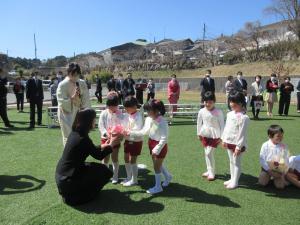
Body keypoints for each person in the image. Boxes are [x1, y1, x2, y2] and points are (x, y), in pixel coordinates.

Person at [55, 108, 122, 206]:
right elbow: (99, 156)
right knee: (105, 172)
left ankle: (72, 193)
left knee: (97, 168)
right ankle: (81, 195)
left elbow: (91, 148)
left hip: (61, 176)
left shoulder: (75, 133)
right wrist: (112, 144)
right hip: (67, 180)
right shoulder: (83, 138)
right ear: (88, 121)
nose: (95, 121)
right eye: (94, 119)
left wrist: (103, 146)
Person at [126, 99, 172, 194]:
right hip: (151, 143)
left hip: (160, 146)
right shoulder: (149, 119)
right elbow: (143, 131)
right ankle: (168, 176)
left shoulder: (162, 122)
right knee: (158, 165)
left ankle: (158, 187)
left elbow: (164, 138)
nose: (147, 112)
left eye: (149, 110)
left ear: (156, 110)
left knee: (156, 166)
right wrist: (130, 132)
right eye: (146, 110)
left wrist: (157, 149)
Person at [56, 63, 91, 146]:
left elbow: (86, 98)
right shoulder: (62, 84)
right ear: (68, 73)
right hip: (66, 113)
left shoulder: (82, 83)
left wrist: (85, 110)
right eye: (73, 74)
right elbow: (61, 101)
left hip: (79, 111)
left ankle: (79, 155)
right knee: (68, 135)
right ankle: (68, 156)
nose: (75, 77)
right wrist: (72, 97)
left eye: (77, 74)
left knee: (81, 134)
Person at [221, 91, 250, 189]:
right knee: (231, 161)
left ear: (241, 103)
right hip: (229, 141)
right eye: (230, 102)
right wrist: (224, 139)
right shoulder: (229, 114)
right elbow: (226, 128)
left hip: (238, 144)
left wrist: (238, 146)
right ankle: (232, 178)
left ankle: (235, 181)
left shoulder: (244, 117)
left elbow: (242, 134)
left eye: (234, 102)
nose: (232, 104)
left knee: (236, 162)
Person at [98, 91, 126, 184]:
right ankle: (104, 175)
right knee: (105, 158)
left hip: (116, 139)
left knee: (114, 157)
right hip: (105, 138)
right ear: (107, 105)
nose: (112, 108)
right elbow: (101, 126)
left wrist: (117, 134)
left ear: (117, 105)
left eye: (114, 106)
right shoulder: (104, 113)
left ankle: (115, 176)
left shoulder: (120, 113)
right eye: (110, 106)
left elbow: (122, 125)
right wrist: (106, 134)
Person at [197, 92, 224, 181]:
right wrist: (198, 133)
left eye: (210, 102)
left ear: (214, 102)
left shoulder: (218, 112)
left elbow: (222, 125)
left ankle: (212, 172)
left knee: (209, 153)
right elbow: (199, 123)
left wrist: (222, 137)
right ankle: (209, 170)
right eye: (206, 102)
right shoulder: (201, 111)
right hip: (204, 134)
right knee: (206, 153)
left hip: (215, 134)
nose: (208, 104)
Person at [258, 125, 289, 189]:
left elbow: (286, 159)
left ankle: (277, 179)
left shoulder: (284, 146)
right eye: (278, 136)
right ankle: (268, 177)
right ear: (270, 136)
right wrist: (269, 171)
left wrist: (283, 172)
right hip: (267, 169)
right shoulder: (265, 145)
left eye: (282, 135)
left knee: (280, 187)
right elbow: (262, 159)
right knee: (262, 183)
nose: (281, 138)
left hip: (279, 170)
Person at [122, 96, 144, 186]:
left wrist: (128, 131)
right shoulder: (128, 114)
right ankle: (128, 177)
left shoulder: (139, 116)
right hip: (128, 139)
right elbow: (124, 124)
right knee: (126, 157)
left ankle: (134, 180)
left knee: (132, 160)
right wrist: (122, 129)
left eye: (128, 108)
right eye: (125, 108)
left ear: (135, 106)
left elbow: (138, 129)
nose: (126, 109)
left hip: (136, 140)